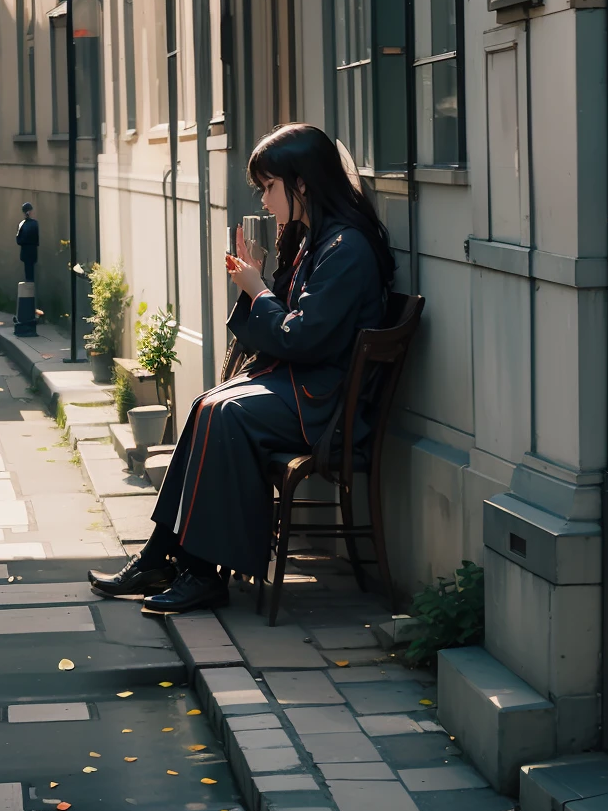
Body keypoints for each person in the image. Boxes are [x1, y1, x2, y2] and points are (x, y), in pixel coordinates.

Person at [90, 122, 393, 615]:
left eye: (270, 187)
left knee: (222, 411)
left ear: (302, 184)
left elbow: (300, 336)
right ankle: (162, 556)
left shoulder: (346, 248)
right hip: (303, 388)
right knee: (206, 404)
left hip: (323, 404)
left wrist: (258, 289)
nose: (265, 200)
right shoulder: (321, 240)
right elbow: (288, 327)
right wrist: (262, 278)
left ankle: (200, 571)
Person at [16, 202, 40, 283]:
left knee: (28, 272)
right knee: (31, 273)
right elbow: (36, 239)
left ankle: (29, 285)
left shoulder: (22, 224)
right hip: (32, 252)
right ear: (29, 211)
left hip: (25, 252)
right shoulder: (34, 223)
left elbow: (18, 240)